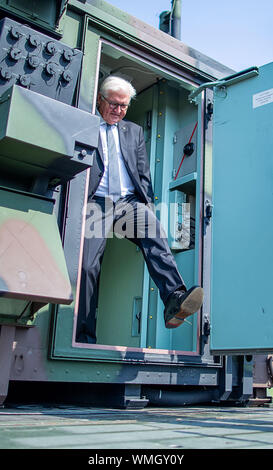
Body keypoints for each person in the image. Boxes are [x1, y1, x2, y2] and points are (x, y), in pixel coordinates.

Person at [76, 75, 203, 343]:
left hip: (127, 203)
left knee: (154, 232)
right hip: (95, 203)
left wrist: (146, 206)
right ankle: (83, 335)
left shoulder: (132, 131)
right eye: (114, 104)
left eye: (124, 106)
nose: (119, 111)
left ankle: (174, 299)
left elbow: (142, 172)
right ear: (101, 100)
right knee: (88, 267)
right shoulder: (84, 123)